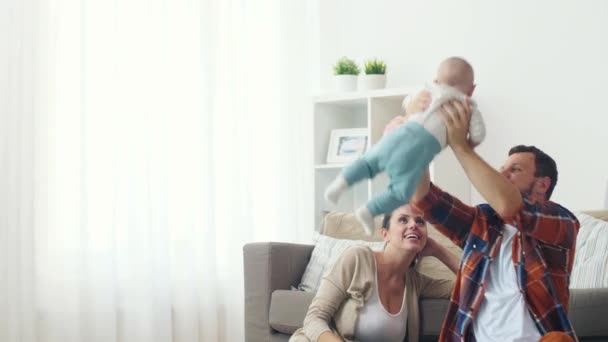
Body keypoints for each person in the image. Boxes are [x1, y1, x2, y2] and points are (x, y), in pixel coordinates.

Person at [410, 93, 580, 341]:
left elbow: (511, 207)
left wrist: (460, 145)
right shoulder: (482, 222)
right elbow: (422, 198)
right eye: (502, 169)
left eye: (515, 169)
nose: (503, 174)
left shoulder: (562, 221)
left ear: (543, 184)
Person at [324, 57, 486, 235]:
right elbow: (479, 133)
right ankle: (369, 210)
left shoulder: (428, 91)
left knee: (368, 162)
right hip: (417, 154)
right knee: (400, 193)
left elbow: (411, 103)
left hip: (400, 133)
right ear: (471, 89)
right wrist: (469, 143)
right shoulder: (468, 106)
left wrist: (412, 111)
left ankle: (339, 184)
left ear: (436, 81)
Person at [289, 204, 460, 342]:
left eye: (420, 222)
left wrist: (439, 251)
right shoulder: (357, 258)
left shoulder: (416, 282)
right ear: (385, 234)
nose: (413, 225)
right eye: (403, 220)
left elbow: (472, 285)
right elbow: (314, 318)